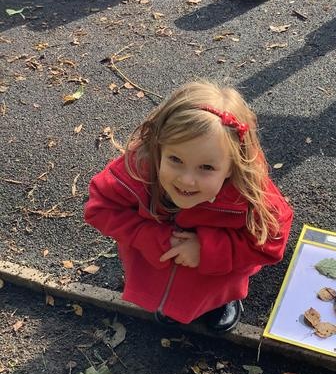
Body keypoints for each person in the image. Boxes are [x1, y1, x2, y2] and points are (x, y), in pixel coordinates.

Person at [84, 81, 293, 332]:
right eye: (175, 159)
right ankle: (169, 305)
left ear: (233, 166)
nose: (186, 180)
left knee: (213, 293)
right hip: (154, 262)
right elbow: (101, 207)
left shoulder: (248, 194)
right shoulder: (138, 170)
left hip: (216, 277)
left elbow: (270, 241)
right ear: (158, 147)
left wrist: (207, 250)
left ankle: (220, 303)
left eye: (206, 167)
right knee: (164, 297)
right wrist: (149, 236)